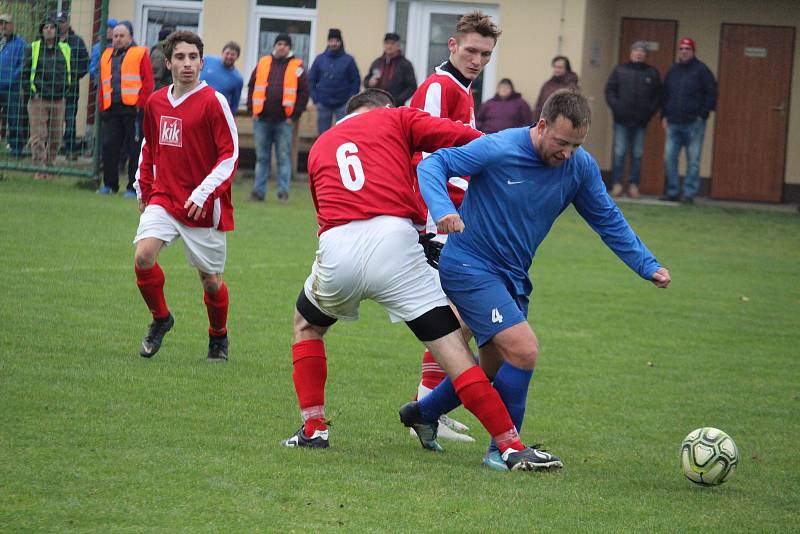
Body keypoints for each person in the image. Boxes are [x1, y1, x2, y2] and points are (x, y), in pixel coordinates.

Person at [281, 88, 557, 472]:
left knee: (306, 324)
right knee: (456, 355)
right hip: (396, 243)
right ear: (386, 107)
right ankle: (511, 447)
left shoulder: (319, 145)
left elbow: (324, 210)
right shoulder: (396, 117)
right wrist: (521, 151)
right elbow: (465, 138)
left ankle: (313, 429)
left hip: (337, 244)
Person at [414, 89, 671, 471]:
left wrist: (645, 264)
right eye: (561, 142)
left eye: (576, 145)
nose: (567, 153)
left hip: (512, 277)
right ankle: (504, 450)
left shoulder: (578, 167)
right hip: (469, 265)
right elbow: (432, 166)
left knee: (492, 370)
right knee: (524, 350)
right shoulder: (499, 147)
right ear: (541, 125)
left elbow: (607, 218)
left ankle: (422, 413)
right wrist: (442, 210)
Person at [407, 9, 500, 443]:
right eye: (471, 50)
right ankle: (428, 407)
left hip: (457, 217)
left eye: (485, 53)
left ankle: (431, 405)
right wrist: (433, 223)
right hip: (438, 219)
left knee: (456, 319)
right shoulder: (439, 87)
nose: (478, 59)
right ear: (452, 46)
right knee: (454, 317)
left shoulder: (460, 90)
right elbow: (424, 155)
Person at [133, 30, 238, 362]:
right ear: (168, 63)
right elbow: (149, 146)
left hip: (203, 207)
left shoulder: (213, 102)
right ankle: (161, 318)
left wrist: (204, 192)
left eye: (193, 57)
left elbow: (230, 155)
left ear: (202, 62)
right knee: (143, 257)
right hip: (164, 195)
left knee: (210, 281)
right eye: (180, 57)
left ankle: (218, 336)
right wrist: (142, 185)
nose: (187, 64)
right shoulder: (156, 101)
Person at [247, 33, 308, 203]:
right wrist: (252, 110)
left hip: (284, 121)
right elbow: (252, 86)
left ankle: (283, 193)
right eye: (279, 43)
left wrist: (294, 116)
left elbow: (304, 92)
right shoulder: (263, 62)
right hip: (262, 119)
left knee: (283, 157)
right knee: (261, 157)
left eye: (285, 44)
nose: (281, 47)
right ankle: (258, 193)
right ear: (275, 45)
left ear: (289, 47)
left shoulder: (298, 66)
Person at [97, 21, 153, 196]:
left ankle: (132, 187)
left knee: (135, 149)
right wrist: (101, 106)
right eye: (115, 36)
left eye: (122, 36)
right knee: (109, 148)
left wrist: (140, 105)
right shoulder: (106, 54)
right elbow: (102, 83)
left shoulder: (140, 53)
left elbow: (148, 82)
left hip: (133, 111)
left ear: (130, 37)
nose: (118, 39)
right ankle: (109, 185)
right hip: (111, 110)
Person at [660, 37, 717, 204]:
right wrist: (664, 115)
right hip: (673, 123)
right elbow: (665, 94)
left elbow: (712, 93)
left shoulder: (702, 70)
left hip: (694, 123)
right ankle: (672, 191)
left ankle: (689, 194)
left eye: (687, 48)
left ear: (693, 51)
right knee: (670, 158)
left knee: (693, 160)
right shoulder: (673, 70)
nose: (684, 51)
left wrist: (703, 115)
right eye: (682, 48)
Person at [604, 41, 662, 199]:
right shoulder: (619, 70)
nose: (639, 53)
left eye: (642, 51)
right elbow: (609, 91)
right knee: (619, 153)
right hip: (621, 120)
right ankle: (616, 185)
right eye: (636, 50)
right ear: (631, 52)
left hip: (641, 122)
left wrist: (649, 113)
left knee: (637, 154)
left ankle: (633, 186)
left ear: (646, 55)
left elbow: (658, 96)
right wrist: (617, 108)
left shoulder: (652, 73)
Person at [22, 16, 71, 180]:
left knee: (56, 136)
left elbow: (72, 70)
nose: (49, 30)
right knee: (38, 135)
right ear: (41, 31)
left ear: (57, 30)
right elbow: (25, 72)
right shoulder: (34, 48)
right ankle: (40, 168)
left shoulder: (65, 49)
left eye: (52, 27)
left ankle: (50, 166)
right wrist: (31, 92)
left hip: (59, 98)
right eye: (45, 27)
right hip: (39, 98)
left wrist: (66, 89)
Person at [308, 28, 360, 135]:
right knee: (323, 136)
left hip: (343, 105)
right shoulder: (320, 59)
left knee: (343, 134)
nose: (334, 43)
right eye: (331, 41)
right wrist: (315, 99)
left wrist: (350, 100)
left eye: (336, 41)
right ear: (328, 42)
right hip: (323, 104)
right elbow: (311, 79)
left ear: (340, 42)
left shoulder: (349, 60)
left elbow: (355, 81)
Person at [56, 11, 89, 160]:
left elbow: (85, 63)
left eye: (62, 22)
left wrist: (74, 76)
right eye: (58, 22)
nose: (60, 25)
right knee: (51, 120)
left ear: (68, 23)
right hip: (52, 89)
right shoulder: (51, 41)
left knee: (70, 120)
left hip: (71, 88)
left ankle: (70, 150)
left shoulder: (77, 41)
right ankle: (52, 150)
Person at [0, 13, 27, 158]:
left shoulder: (20, 43)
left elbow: (24, 65)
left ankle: (17, 149)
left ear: (12, 25)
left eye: (6, 23)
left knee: (14, 119)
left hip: (12, 89)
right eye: (1, 24)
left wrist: (12, 78)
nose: (3, 26)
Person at [363, 32, 416, 106]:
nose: (389, 46)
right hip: (377, 104)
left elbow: (412, 87)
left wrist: (398, 100)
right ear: (384, 45)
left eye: (392, 43)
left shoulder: (405, 64)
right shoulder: (377, 62)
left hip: (395, 106)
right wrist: (369, 83)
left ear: (398, 46)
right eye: (387, 43)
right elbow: (366, 81)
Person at [200, 41, 244, 112]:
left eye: (232, 54)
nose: (229, 56)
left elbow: (234, 104)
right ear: (222, 53)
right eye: (227, 53)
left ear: (237, 57)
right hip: (198, 106)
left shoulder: (238, 79)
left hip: (217, 112)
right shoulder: (207, 60)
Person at [532, 56, 578, 120]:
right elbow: (539, 105)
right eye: (555, 67)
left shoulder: (571, 86)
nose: (557, 70)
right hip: (545, 121)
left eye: (560, 67)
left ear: (566, 69)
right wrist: (535, 121)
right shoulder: (547, 84)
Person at [89, 18, 116, 83]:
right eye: (107, 28)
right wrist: (97, 75)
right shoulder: (97, 47)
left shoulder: (119, 45)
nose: (109, 31)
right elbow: (92, 66)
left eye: (111, 28)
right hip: (101, 81)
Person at [150, 25, 176, 91]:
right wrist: (170, 91)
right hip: (163, 95)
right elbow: (155, 82)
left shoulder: (166, 53)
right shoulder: (158, 56)